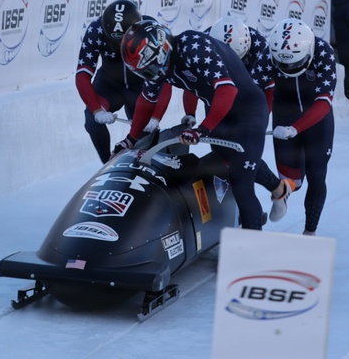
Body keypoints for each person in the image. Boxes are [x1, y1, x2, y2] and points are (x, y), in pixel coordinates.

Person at [115, 20, 271, 230]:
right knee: (227, 159)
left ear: (162, 49)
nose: (149, 74)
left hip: (249, 112)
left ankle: (251, 244)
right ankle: (278, 188)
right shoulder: (159, 64)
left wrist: (202, 129)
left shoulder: (192, 46)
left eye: (149, 68)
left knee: (242, 184)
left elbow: (227, 90)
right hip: (220, 111)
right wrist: (130, 139)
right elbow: (147, 100)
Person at [199, 16, 293, 219]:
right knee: (222, 152)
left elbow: (268, 92)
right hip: (218, 92)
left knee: (243, 158)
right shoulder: (202, 43)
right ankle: (275, 190)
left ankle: (257, 202)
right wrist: (190, 113)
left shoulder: (261, 49)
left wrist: (257, 124)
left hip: (249, 98)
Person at [75, 0, 171, 163]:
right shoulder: (95, 30)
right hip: (109, 85)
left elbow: (165, 78)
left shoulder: (151, 29)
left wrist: (156, 117)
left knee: (145, 134)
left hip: (141, 88)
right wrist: (97, 110)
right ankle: (107, 162)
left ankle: (142, 166)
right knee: (92, 120)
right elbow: (82, 75)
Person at [266, 18, 337, 236]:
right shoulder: (268, 54)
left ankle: (310, 231)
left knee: (317, 175)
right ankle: (282, 191)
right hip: (284, 114)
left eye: (294, 64)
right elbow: (257, 90)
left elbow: (324, 102)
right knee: (292, 180)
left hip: (317, 118)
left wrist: (295, 128)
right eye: (283, 64)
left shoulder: (324, 52)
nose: (289, 69)